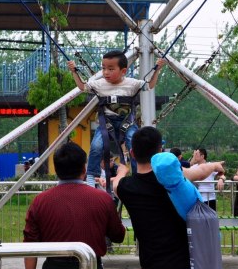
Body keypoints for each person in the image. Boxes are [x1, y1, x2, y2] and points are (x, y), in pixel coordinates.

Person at [111, 126, 224, 269]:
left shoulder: (127, 188)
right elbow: (200, 172)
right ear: (161, 150)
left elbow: (115, 184)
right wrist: (215, 166)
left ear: (133, 153)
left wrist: (122, 171)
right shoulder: (175, 180)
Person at [23, 142, 126, 269]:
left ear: (56, 170)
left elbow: (30, 247)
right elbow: (119, 235)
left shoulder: (40, 202)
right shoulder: (102, 199)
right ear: (84, 168)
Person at [67, 50, 165, 186]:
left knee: (135, 144)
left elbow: (149, 85)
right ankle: (91, 176)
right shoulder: (99, 84)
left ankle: (139, 175)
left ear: (123, 71)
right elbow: (83, 86)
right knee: (96, 146)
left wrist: (157, 69)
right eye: (103, 68)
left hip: (127, 122)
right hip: (106, 122)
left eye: (111, 69)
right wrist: (74, 72)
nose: (106, 72)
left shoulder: (131, 84)